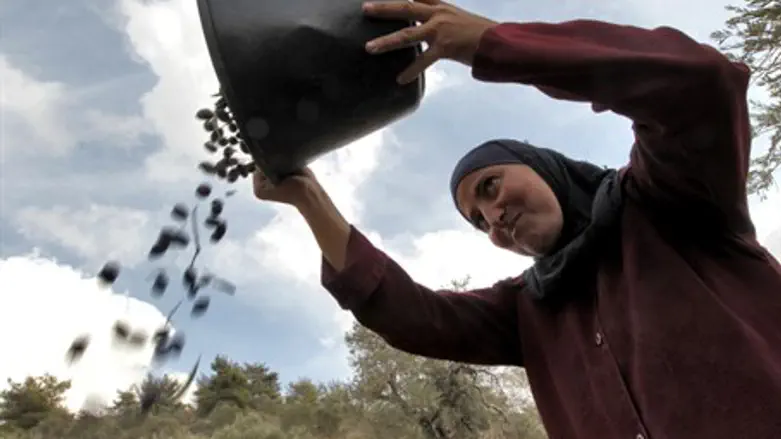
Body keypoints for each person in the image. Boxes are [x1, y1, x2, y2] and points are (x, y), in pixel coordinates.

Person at [253, 1, 781, 438]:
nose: (494, 218)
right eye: (478, 222)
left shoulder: (670, 198)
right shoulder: (528, 310)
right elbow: (413, 315)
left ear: (543, 166)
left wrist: (495, 44)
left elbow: (701, 87)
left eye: (490, 188)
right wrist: (308, 198)